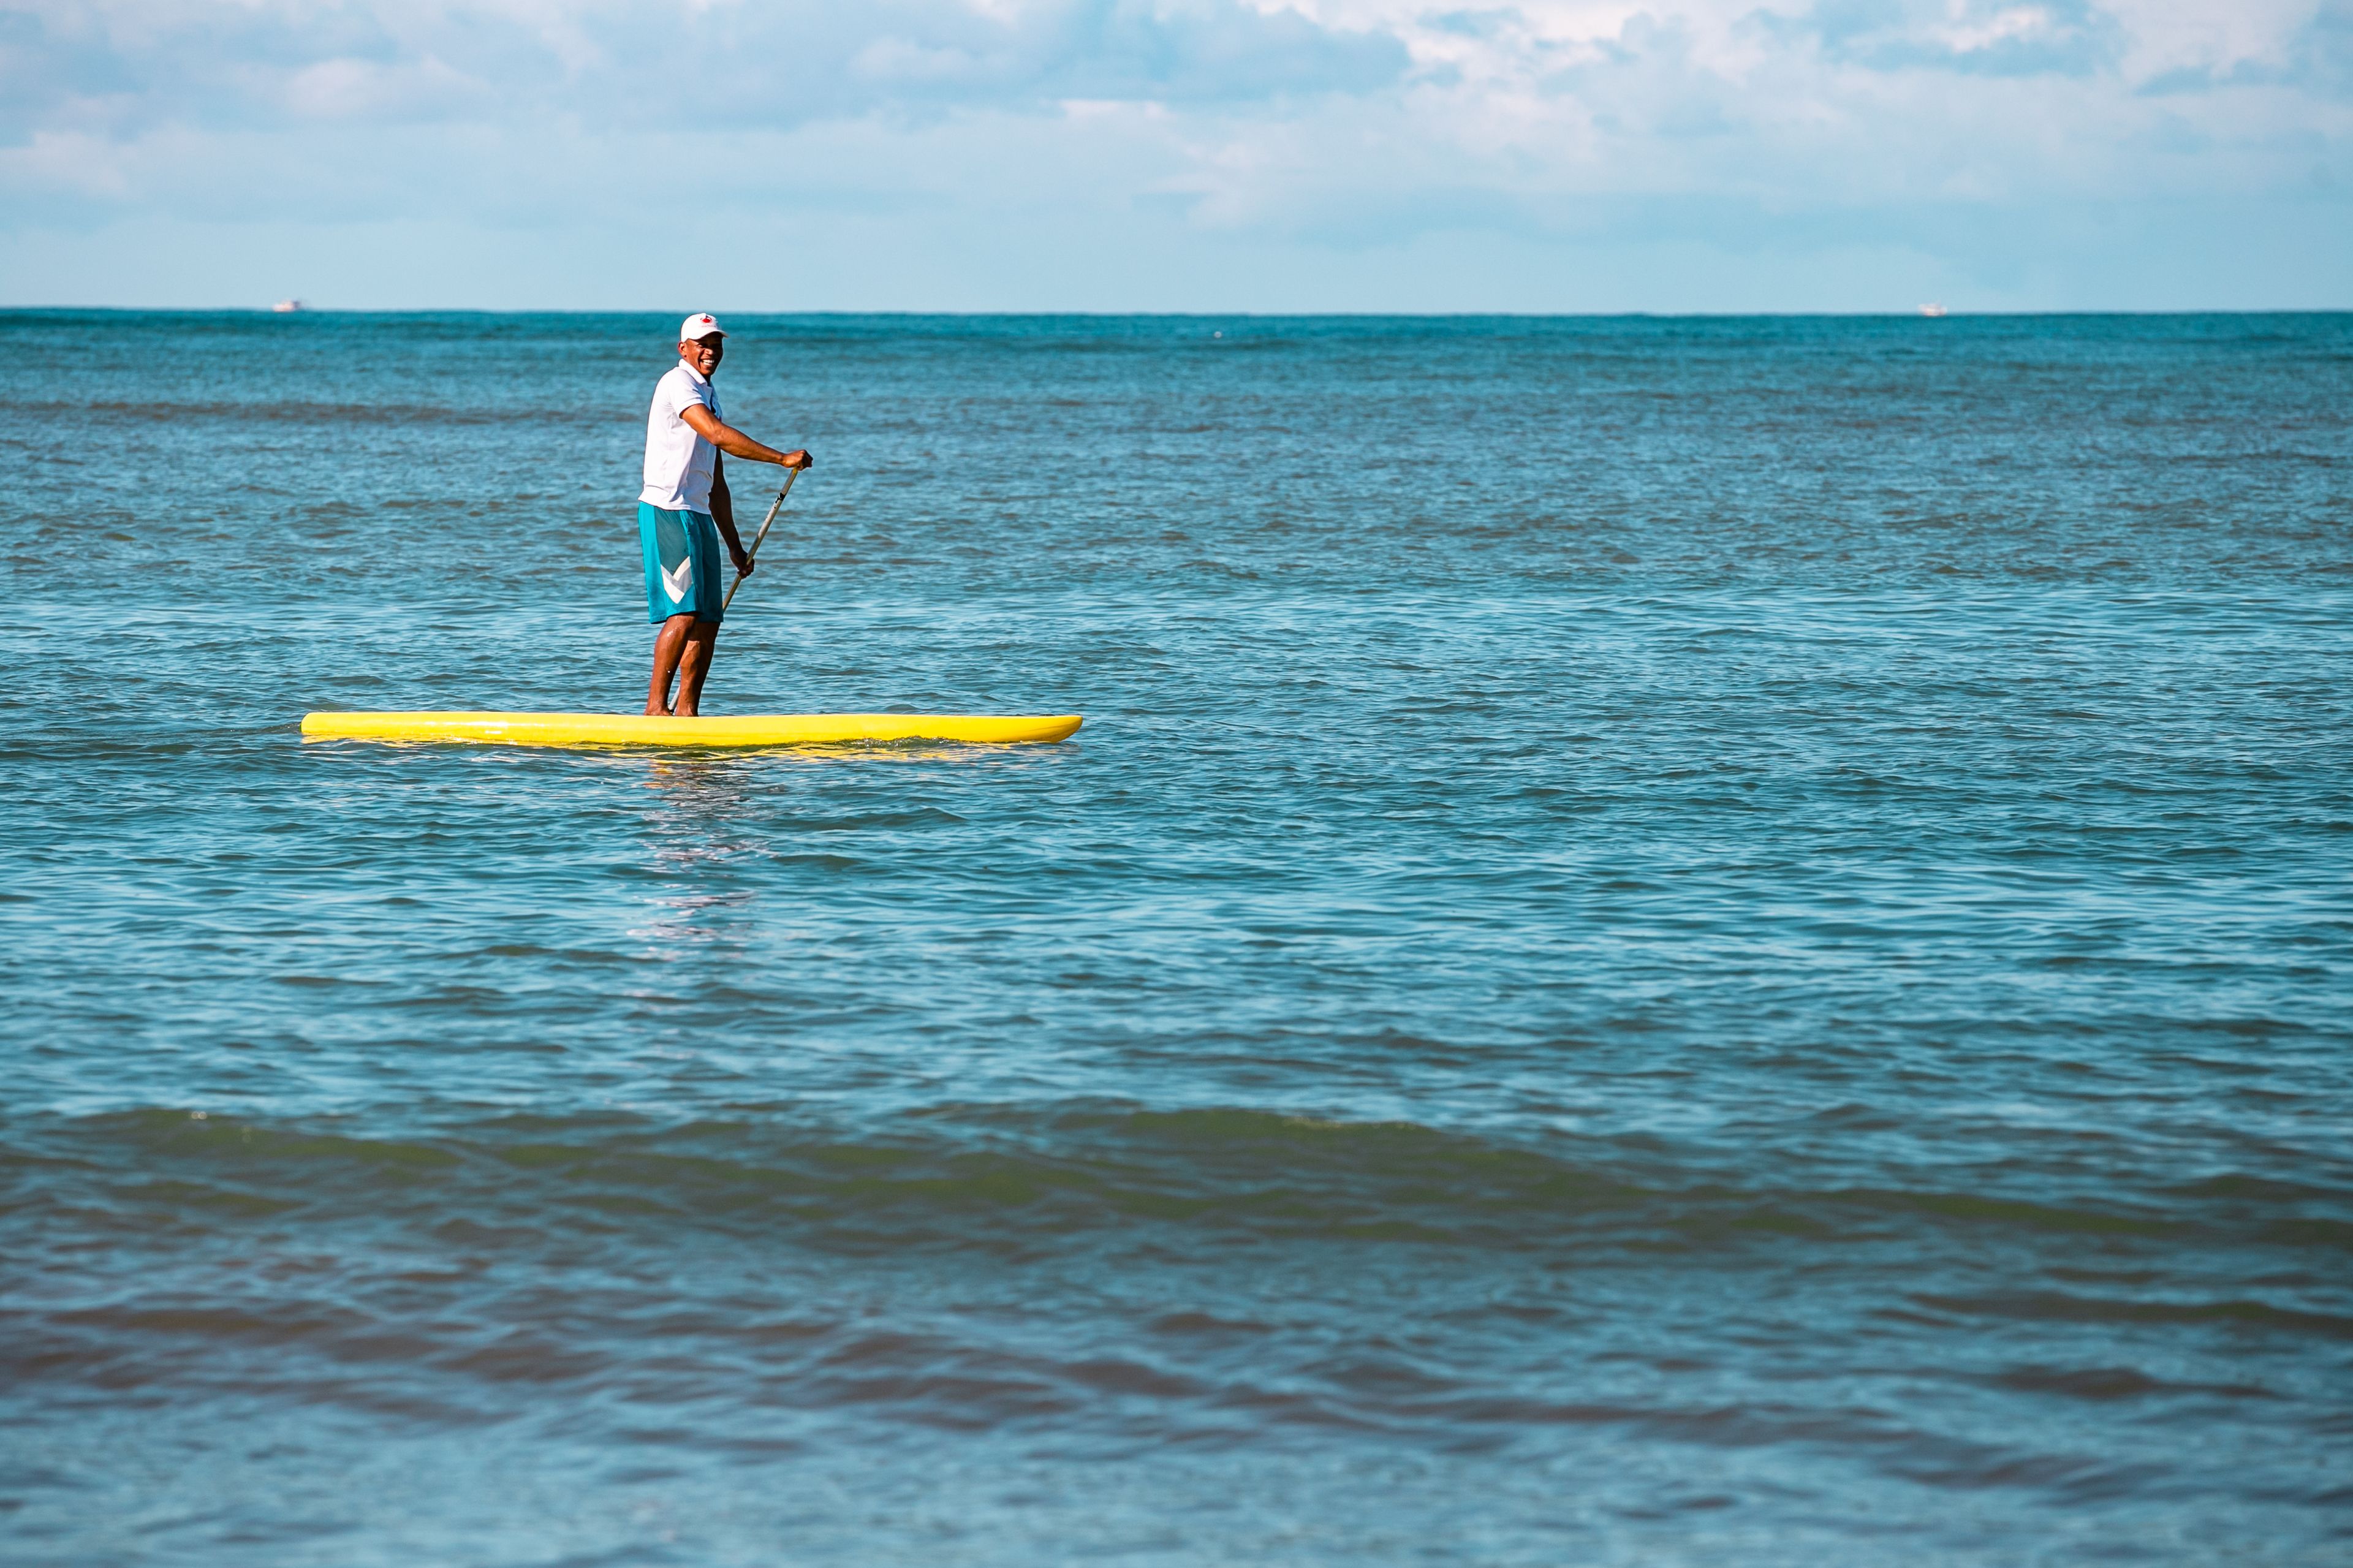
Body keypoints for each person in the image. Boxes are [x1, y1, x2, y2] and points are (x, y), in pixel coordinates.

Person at [638, 312, 812, 716]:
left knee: (709, 619)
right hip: (667, 510)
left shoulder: (708, 392)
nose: (711, 350)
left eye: (716, 343)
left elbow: (716, 484)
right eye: (702, 343)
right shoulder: (677, 383)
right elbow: (716, 434)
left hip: (697, 515)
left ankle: (688, 713)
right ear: (683, 348)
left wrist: (734, 547)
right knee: (683, 613)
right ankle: (654, 710)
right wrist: (781, 457)